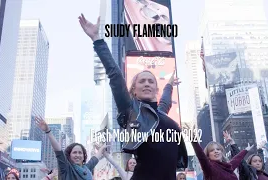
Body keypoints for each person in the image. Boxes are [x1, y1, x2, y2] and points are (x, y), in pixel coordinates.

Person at [78, 14, 188, 180]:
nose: (146, 84)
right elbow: (114, 75)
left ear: (155, 88)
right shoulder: (131, 111)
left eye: (151, 81)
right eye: (141, 81)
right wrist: (97, 39)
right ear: (134, 90)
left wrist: (169, 85)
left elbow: (165, 100)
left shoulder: (161, 114)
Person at [35, 117, 107, 180]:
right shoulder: (66, 168)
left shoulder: (86, 169)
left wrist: (103, 147)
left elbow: (95, 158)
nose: (77, 155)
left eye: (80, 153)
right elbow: (58, 151)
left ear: (83, 156)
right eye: (74, 152)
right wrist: (48, 131)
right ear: (69, 155)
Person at [187, 125, 253, 180]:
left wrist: (244, 149)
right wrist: (194, 141)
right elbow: (201, 156)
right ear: (208, 155)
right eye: (212, 150)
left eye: (218, 149)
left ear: (221, 152)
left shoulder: (228, 167)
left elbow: (237, 159)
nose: (216, 151)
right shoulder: (209, 168)